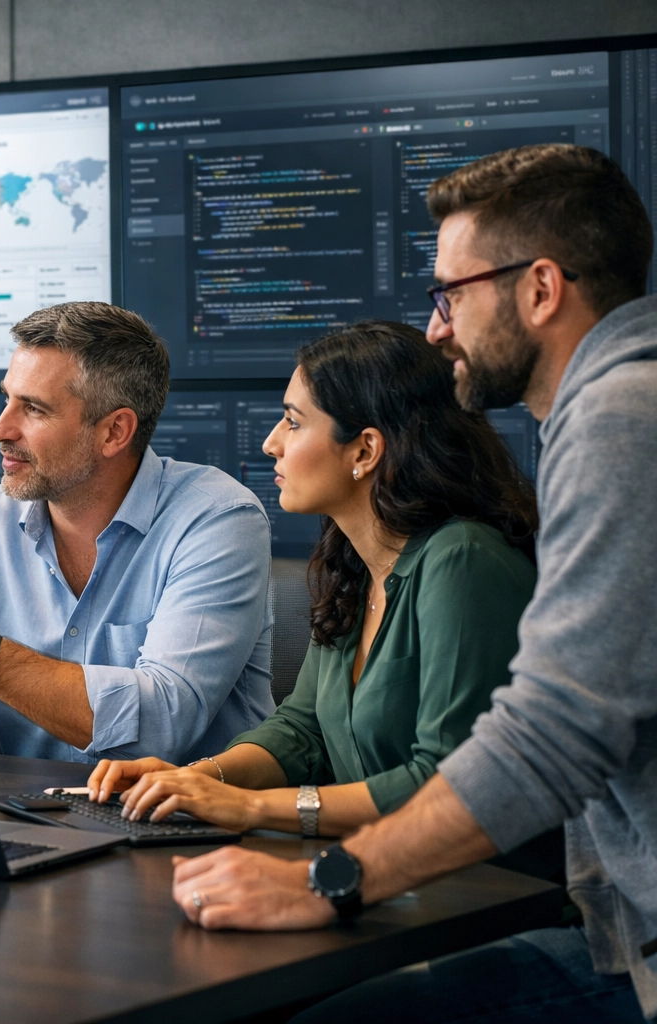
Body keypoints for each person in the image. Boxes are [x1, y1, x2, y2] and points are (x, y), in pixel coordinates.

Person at [166, 143, 657, 1024]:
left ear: (541, 289)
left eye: (452, 295)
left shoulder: (621, 419)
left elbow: (549, 738)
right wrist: (210, 787)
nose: (437, 329)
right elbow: (309, 726)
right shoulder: (618, 409)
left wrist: (326, 880)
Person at [87, 320, 538, 843]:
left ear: (365, 451)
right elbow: (303, 730)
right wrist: (194, 780)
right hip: (380, 867)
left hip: (479, 881)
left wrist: (250, 806)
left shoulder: (462, 561)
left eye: (293, 422)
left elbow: (445, 785)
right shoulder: (357, 565)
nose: (270, 443)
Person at [0, 301, 275, 763]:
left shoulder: (218, 519)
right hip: (33, 804)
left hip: (189, 807)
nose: (0, 429)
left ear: (114, 432)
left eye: (34, 409)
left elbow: (161, 723)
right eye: (7, 399)